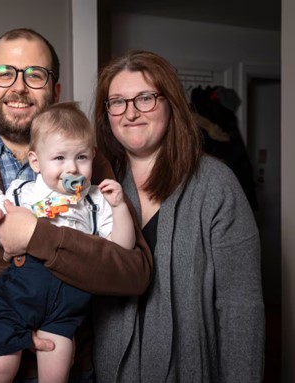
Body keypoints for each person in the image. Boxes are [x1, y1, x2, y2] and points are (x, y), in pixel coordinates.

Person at [0, 28, 153, 382]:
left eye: (35, 75)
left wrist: (37, 236)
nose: (19, 87)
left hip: (65, 356)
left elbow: (133, 271)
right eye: (4, 73)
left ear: (55, 91)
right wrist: (8, 324)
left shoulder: (89, 168)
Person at [88, 50, 265, 382]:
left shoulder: (216, 185)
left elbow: (241, 308)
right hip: (107, 372)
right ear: (106, 114)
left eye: (145, 98)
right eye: (117, 102)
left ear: (171, 103)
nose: (131, 113)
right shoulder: (94, 187)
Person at [0, 102, 136, 383]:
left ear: (93, 156)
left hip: (67, 300)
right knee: (2, 364)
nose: (71, 168)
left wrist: (120, 207)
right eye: (59, 158)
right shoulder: (24, 189)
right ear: (36, 162)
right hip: (21, 290)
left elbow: (122, 248)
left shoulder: (97, 199)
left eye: (82, 157)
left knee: (56, 372)